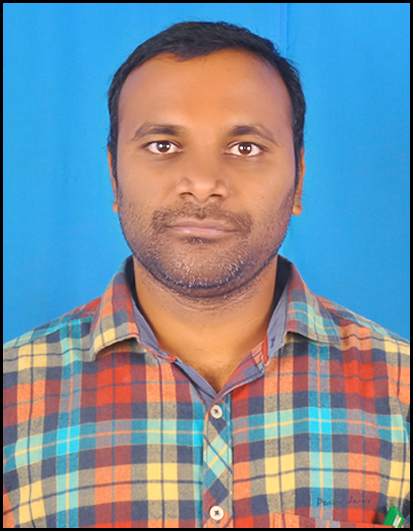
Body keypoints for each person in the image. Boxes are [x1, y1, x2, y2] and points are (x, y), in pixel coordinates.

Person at [3, 21, 410, 529]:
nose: (202, 182)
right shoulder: (11, 396)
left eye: (245, 148)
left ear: (299, 178)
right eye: (163, 145)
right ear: (113, 176)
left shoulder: (401, 391)